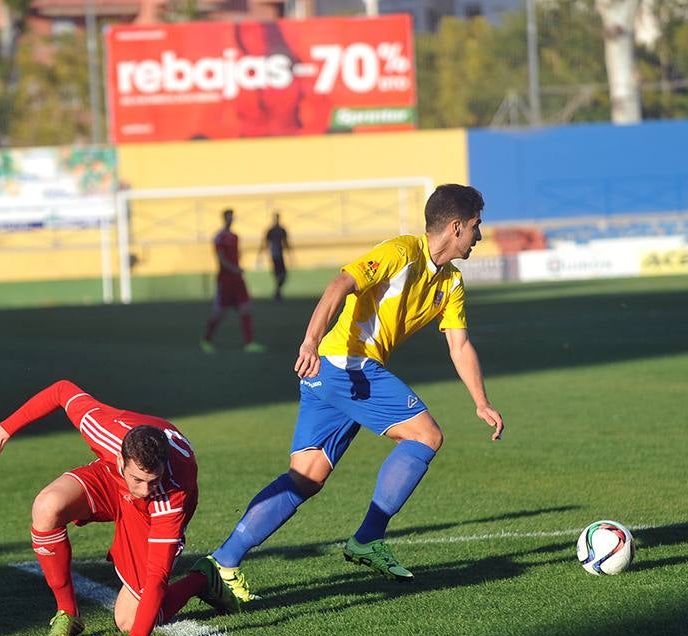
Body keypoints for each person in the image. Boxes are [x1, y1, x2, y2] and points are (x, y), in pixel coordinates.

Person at [192, 184, 503, 603]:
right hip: (344, 364)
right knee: (426, 435)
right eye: (477, 226)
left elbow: (459, 345)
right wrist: (309, 341)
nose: (480, 236)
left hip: (334, 373)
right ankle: (368, 537)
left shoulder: (450, 283)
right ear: (456, 226)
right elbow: (342, 282)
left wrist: (481, 402)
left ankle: (222, 562)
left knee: (306, 477)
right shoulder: (401, 251)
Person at [0, 380, 234, 636]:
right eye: (138, 479)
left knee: (129, 622)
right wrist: (2, 431)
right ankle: (67, 613)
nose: (144, 489)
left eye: (151, 480)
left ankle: (203, 579)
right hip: (110, 480)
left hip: (150, 514)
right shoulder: (104, 430)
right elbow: (61, 390)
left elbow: (158, 575)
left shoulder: (171, 492)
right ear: (121, 459)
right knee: (47, 506)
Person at [200, 209, 264, 353]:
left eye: (232, 217)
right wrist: (234, 269)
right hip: (225, 280)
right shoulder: (219, 237)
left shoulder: (235, 236)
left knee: (245, 308)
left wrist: (237, 269)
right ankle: (206, 340)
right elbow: (221, 258)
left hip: (237, 279)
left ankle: (249, 343)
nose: (231, 219)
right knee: (219, 312)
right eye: (228, 217)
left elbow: (237, 255)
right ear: (224, 218)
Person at [258, 212, 292, 301]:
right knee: (279, 274)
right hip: (274, 255)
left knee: (282, 275)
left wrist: (290, 254)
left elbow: (286, 242)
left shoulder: (281, 230)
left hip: (279, 255)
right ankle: (278, 293)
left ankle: (277, 292)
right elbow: (265, 242)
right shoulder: (271, 230)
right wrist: (260, 255)